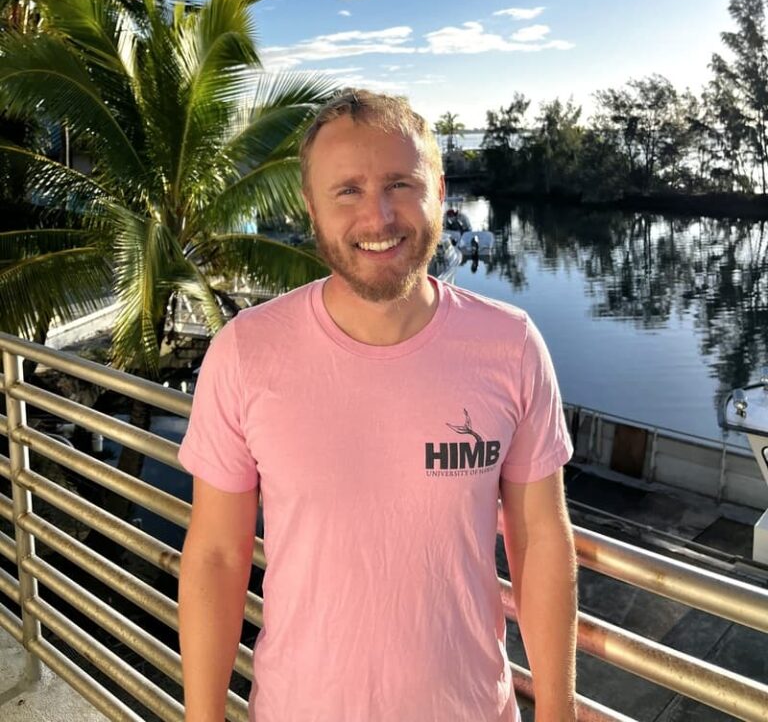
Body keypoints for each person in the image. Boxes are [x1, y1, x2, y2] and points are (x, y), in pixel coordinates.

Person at [177, 89, 577, 722]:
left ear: (440, 192)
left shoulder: (511, 346)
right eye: (348, 192)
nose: (378, 217)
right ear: (311, 207)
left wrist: (558, 711)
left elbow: (541, 539)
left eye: (400, 184)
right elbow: (218, 556)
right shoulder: (246, 353)